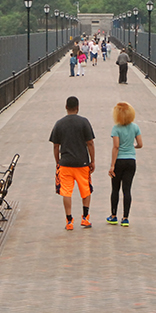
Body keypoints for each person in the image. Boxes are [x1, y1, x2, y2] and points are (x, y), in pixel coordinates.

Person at [50, 96, 96, 230]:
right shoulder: (84, 122)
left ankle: (69, 220)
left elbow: (55, 146)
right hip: (82, 163)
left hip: (65, 163)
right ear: (78, 108)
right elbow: (90, 143)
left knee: (66, 192)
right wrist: (92, 160)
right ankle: (85, 218)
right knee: (86, 190)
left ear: (66, 107)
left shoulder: (59, 123)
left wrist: (58, 162)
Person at [107, 102, 142, 226]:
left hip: (119, 161)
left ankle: (113, 215)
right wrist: (133, 146)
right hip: (131, 161)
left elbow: (116, 146)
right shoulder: (135, 127)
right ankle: (125, 218)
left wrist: (112, 165)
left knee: (115, 189)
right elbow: (140, 144)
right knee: (127, 189)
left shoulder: (116, 128)